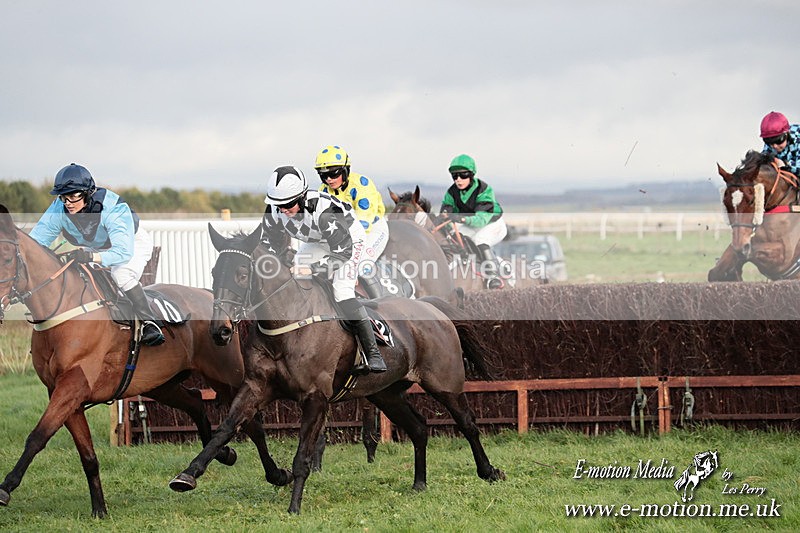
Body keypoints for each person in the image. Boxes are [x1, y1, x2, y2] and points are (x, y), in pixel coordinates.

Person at [261, 165, 387, 373]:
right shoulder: (275, 211)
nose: (283, 210)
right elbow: (273, 245)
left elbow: (342, 253)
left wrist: (312, 270)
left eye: (288, 204)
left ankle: (373, 353)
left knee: (341, 289)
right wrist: (284, 262)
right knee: (294, 272)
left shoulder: (325, 212)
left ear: (301, 197)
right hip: (319, 241)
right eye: (278, 204)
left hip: (349, 241)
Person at [29, 163, 165, 346]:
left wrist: (91, 257)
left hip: (131, 243)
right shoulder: (59, 208)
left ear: (87, 193)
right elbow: (35, 242)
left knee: (121, 274)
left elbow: (122, 253)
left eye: (73, 195)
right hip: (96, 246)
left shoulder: (113, 208)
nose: (67, 202)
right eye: (63, 197)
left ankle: (150, 323)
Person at [313, 145, 388, 298]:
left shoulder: (362, 185)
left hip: (371, 229)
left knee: (359, 266)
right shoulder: (324, 190)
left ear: (345, 170)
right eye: (323, 175)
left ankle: (380, 304)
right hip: (342, 234)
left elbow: (362, 226)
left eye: (333, 174)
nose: (329, 179)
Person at [438, 154, 508, 289]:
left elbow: (481, 220)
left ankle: (493, 277)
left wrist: (461, 218)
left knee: (480, 240)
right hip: (471, 223)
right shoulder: (451, 192)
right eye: (455, 176)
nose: (458, 180)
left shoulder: (484, 190)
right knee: (454, 235)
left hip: (492, 224)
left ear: (471, 175)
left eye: (463, 175)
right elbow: (445, 212)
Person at [759, 111, 800, 177]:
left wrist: (785, 165)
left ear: (787, 134)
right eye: (769, 141)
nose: (774, 146)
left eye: (778, 141)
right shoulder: (771, 144)